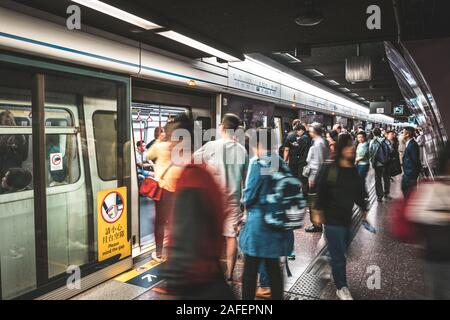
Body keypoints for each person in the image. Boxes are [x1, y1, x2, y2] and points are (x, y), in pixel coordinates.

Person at [164, 114, 235, 300]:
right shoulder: (204, 172)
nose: (169, 144)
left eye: (171, 138)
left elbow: (185, 238)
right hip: (209, 275)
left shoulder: (191, 179)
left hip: (196, 283)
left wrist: (173, 283)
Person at [239, 128, 293, 300]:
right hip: (277, 224)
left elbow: (250, 195)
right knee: (274, 270)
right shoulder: (281, 163)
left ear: (258, 144)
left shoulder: (258, 163)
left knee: (249, 272)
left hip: (259, 226)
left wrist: (242, 207)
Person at [194, 113, 248, 283]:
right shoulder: (242, 150)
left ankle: (210, 270)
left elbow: (192, 162)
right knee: (231, 237)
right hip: (234, 200)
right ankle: (230, 273)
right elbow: (246, 180)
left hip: (213, 200)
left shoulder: (211, 146)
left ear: (222, 128)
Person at [315, 134, 368, 300]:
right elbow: (321, 190)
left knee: (341, 249)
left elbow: (358, 191)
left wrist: (364, 209)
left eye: (352, 145)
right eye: (347, 145)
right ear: (340, 149)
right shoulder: (330, 168)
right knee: (340, 257)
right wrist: (317, 210)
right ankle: (341, 286)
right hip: (332, 218)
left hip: (347, 218)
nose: (351, 148)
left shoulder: (352, 169)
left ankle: (325, 259)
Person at [405, 143, 450, 299]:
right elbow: (414, 212)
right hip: (436, 251)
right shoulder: (432, 187)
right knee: (438, 290)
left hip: (437, 250)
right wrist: (444, 216)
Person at [146, 122, 183, 262]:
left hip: (164, 189)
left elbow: (148, 156)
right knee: (174, 221)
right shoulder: (182, 149)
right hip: (179, 191)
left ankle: (159, 253)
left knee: (160, 222)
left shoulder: (160, 147)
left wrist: (158, 141)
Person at [304, 123, 328, 233]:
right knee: (316, 200)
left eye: (311, 131)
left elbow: (318, 162)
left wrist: (314, 179)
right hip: (317, 175)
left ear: (315, 132)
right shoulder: (321, 141)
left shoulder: (318, 143)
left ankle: (316, 224)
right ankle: (318, 222)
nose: (309, 132)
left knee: (313, 201)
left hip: (315, 175)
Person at [369, 128, 390, 202]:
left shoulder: (372, 142)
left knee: (378, 179)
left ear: (373, 133)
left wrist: (372, 162)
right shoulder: (385, 140)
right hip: (385, 162)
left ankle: (379, 196)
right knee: (386, 177)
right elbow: (390, 150)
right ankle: (386, 192)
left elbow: (371, 153)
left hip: (378, 164)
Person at [401, 127, 421, 197]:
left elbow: (416, 160)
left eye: (403, 133)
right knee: (404, 189)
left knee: (410, 194)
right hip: (407, 173)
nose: (402, 134)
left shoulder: (412, 145)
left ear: (407, 134)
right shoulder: (409, 143)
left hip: (410, 174)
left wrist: (414, 174)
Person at [355, 131, 370, 195]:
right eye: (358, 137)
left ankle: (363, 194)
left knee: (361, 179)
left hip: (364, 164)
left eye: (361, 137)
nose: (360, 139)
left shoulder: (366, 144)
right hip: (359, 164)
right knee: (360, 179)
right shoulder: (359, 144)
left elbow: (362, 156)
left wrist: (355, 161)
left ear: (364, 137)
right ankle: (363, 193)